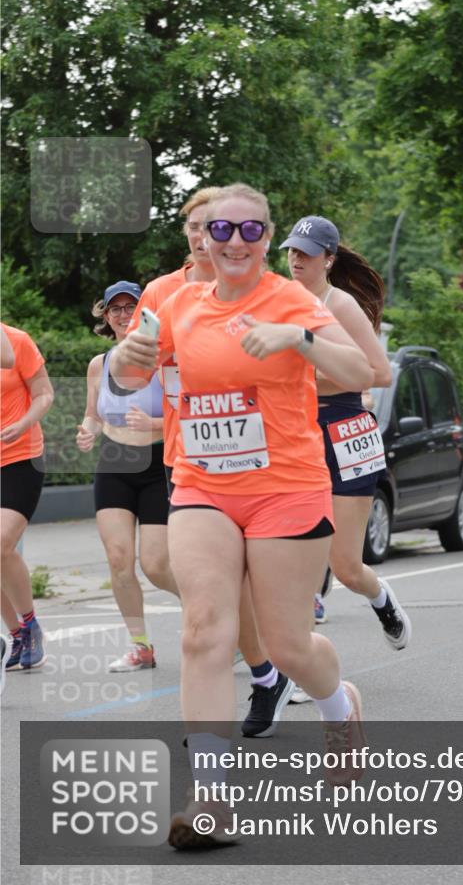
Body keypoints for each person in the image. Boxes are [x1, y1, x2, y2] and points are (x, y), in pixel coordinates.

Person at [111, 183, 374, 848]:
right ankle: (213, 801)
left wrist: (299, 336)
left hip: (285, 487)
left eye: (250, 232)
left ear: (267, 238)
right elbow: (124, 372)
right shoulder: (174, 304)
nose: (232, 243)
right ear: (202, 236)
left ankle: (339, 706)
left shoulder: (293, 300)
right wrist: (122, 360)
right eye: (220, 230)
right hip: (201, 484)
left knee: (288, 646)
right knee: (203, 630)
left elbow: (363, 369)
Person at [126, 188, 293, 739]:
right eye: (196, 227)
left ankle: (262, 679)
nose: (205, 237)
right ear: (187, 233)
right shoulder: (162, 293)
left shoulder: (257, 290)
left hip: (264, 464)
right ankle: (255, 679)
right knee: (178, 579)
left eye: (215, 227)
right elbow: (134, 374)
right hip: (189, 458)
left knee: (225, 601)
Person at [281, 215, 411, 649]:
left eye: (308, 253)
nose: (297, 259)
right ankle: (297, 665)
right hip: (294, 432)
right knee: (295, 556)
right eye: (292, 251)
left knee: (346, 565)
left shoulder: (340, 306)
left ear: (330, 260)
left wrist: (310, 378)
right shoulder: (275, 302)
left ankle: (381, 599)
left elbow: (378, 374)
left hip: (344, 428)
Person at [76, 282, 178, 671]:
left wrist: (152, 421)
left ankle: (218, 615)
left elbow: (185, 414)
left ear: (142, 314)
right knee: (119, 560)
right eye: (114, 309)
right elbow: (94, 413)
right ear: (105, 316)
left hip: (155, 465)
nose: (121, 315)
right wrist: (87, 429)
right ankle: (140, 647)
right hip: (114, 463)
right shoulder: (99, 365)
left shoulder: (163, 360)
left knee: (156, 565)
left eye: (129, 307)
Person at [1, 322, 54, 672]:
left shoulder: (16, 340)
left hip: (20, 457)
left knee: (1, 542)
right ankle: (17, 633)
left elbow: (44, 393)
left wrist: (24, 423)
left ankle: (30, 623)